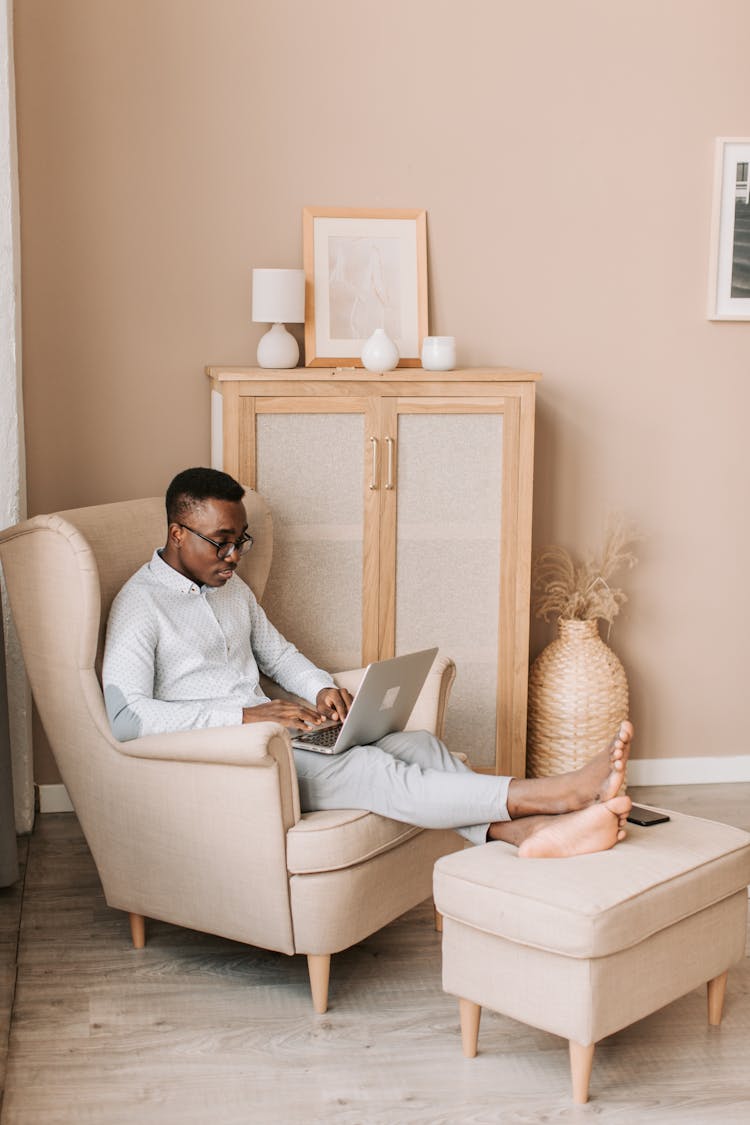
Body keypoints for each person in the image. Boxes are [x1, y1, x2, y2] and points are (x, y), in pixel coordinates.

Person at [103, 468, 633, 860]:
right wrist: (247, 717)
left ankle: (529, 836)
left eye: (240, 541)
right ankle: (554, 795)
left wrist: (318, 689)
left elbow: (278, 653)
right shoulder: (140, 605)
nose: (234, 556)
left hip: (283, 738)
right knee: (374, 768)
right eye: (220, 543)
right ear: (178, 533)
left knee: (419, 745)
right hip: (235, 759)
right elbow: (128, 721)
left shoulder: (230, 590)